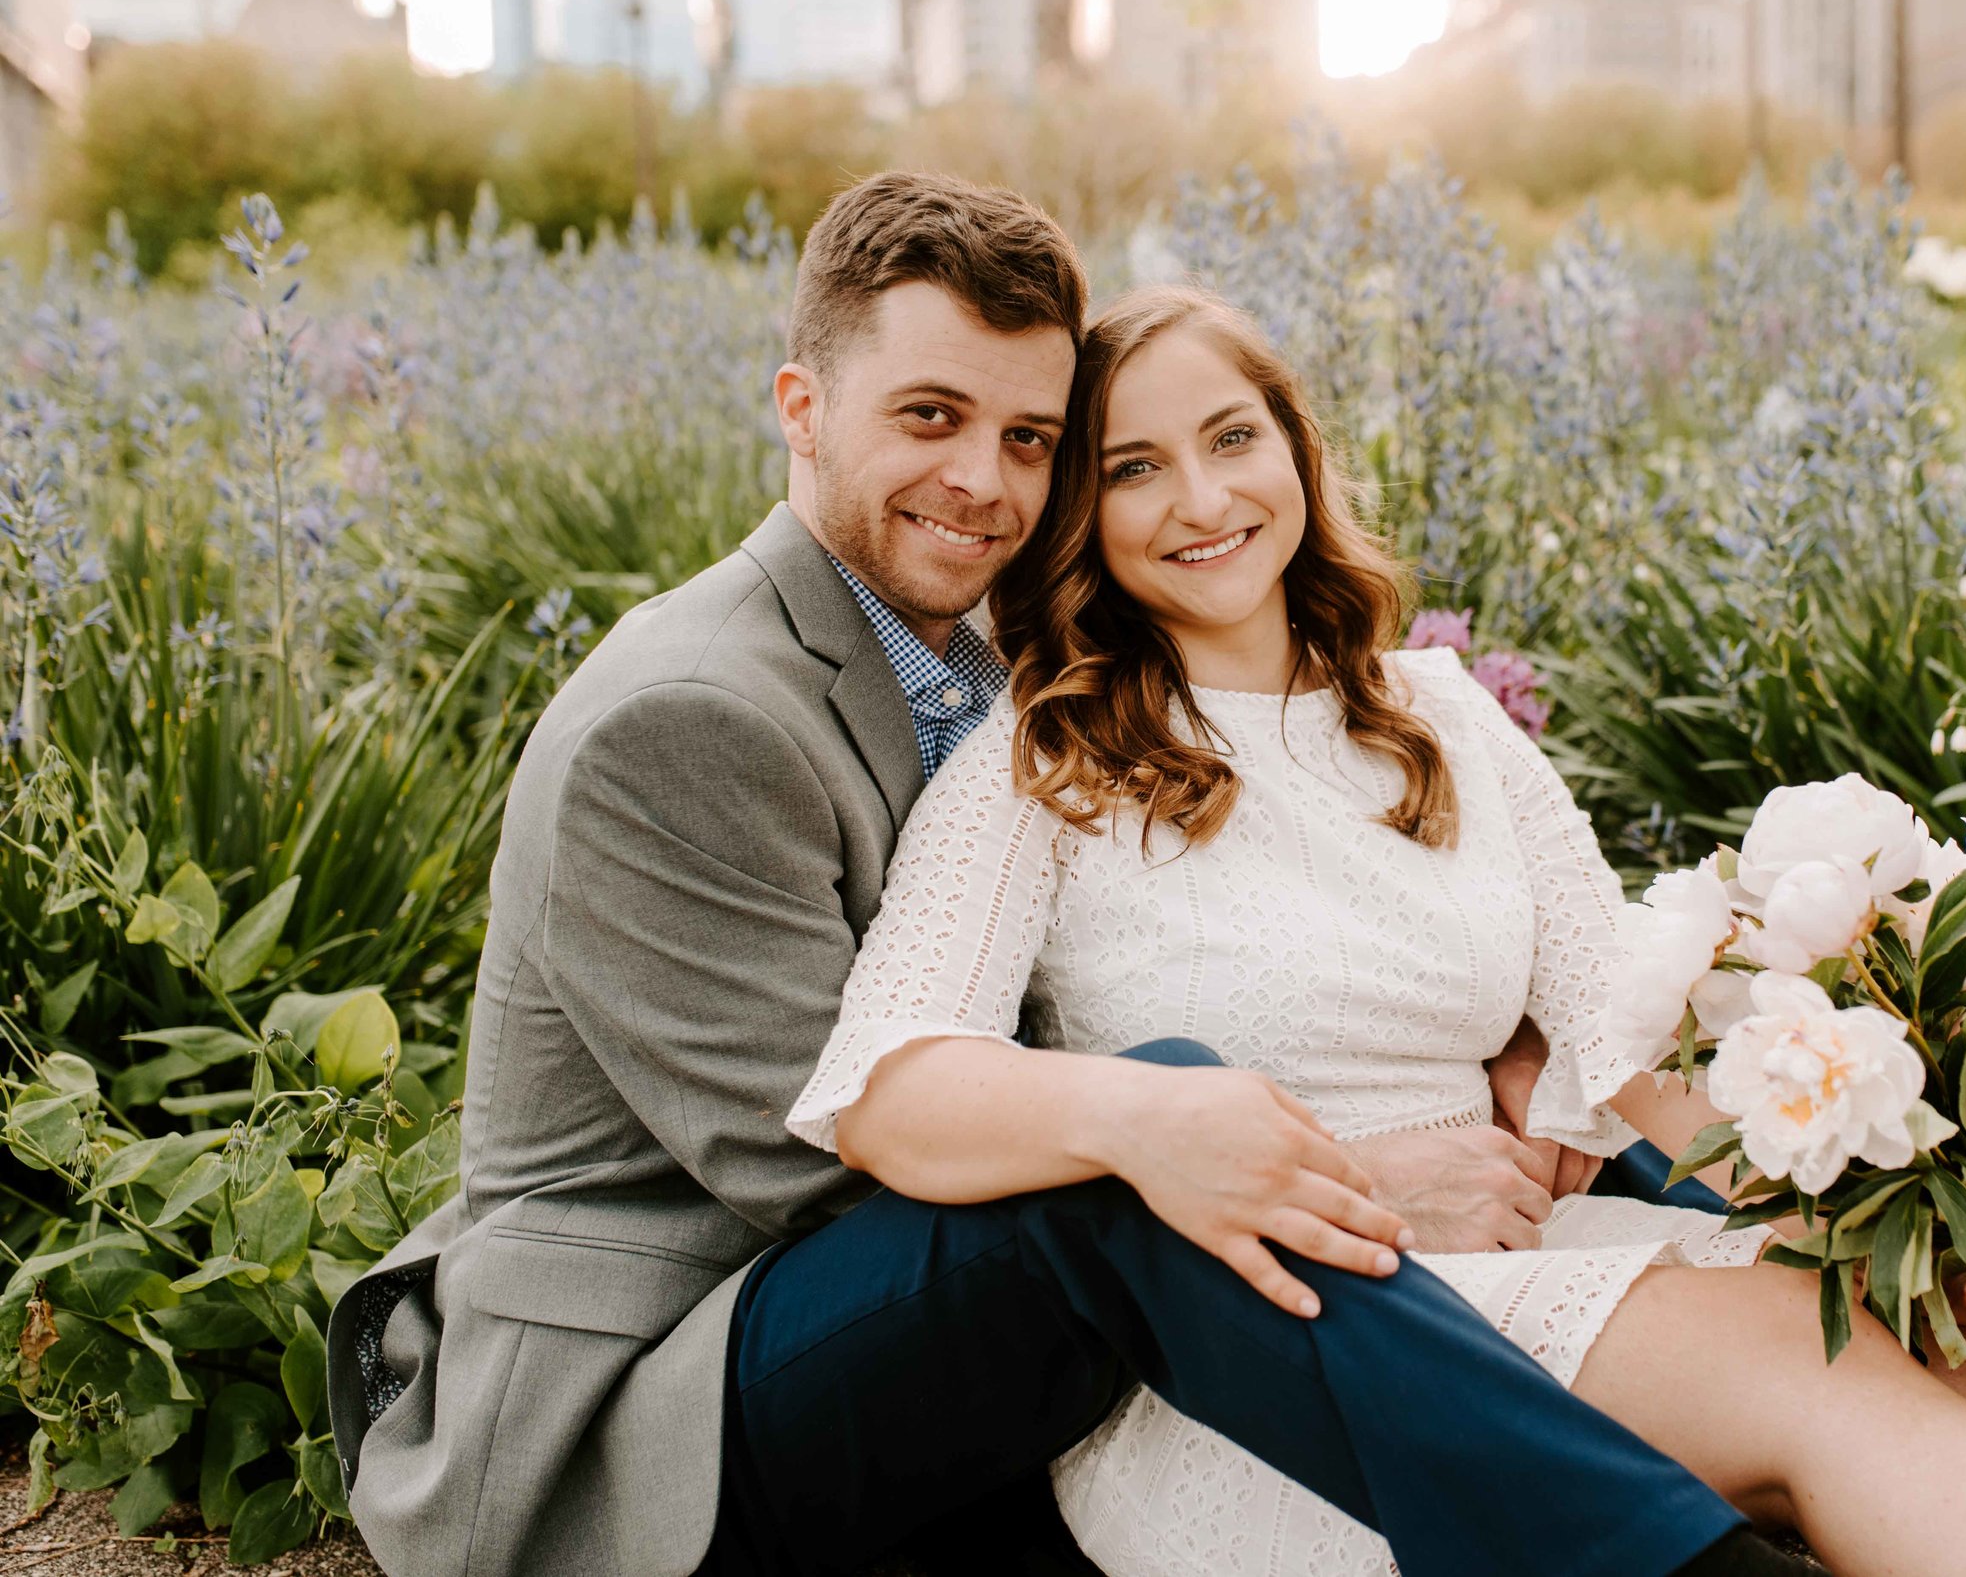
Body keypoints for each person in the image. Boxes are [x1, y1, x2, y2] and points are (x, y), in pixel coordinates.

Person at [324, 172, 1821, 1577]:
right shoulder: (689, 719)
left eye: (1029, 436)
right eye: (929, 415)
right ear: (800, 406)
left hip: (878, 1325)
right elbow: (827, 1157)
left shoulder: (954, 652)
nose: (982, 481)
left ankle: (1816, 1293)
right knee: (1132, 1156)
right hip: (641, 1406)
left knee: (1240, 1125)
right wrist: (1354, 1170)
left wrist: (1507, 1051)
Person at [787, 280, 1966, 1577]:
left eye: (1232, 438)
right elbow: (890, 1084)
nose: (1202, 499)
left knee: (1925, 1331)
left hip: (1525, 1251)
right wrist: (1201, 1132)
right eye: (1134, 467)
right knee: (1810, 1367)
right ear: (1083, 514)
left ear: (1297, 448)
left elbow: (1628, 1028)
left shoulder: (1433, 713)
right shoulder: (1047, 753)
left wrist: (1877, 1198)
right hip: (1286, 1351)